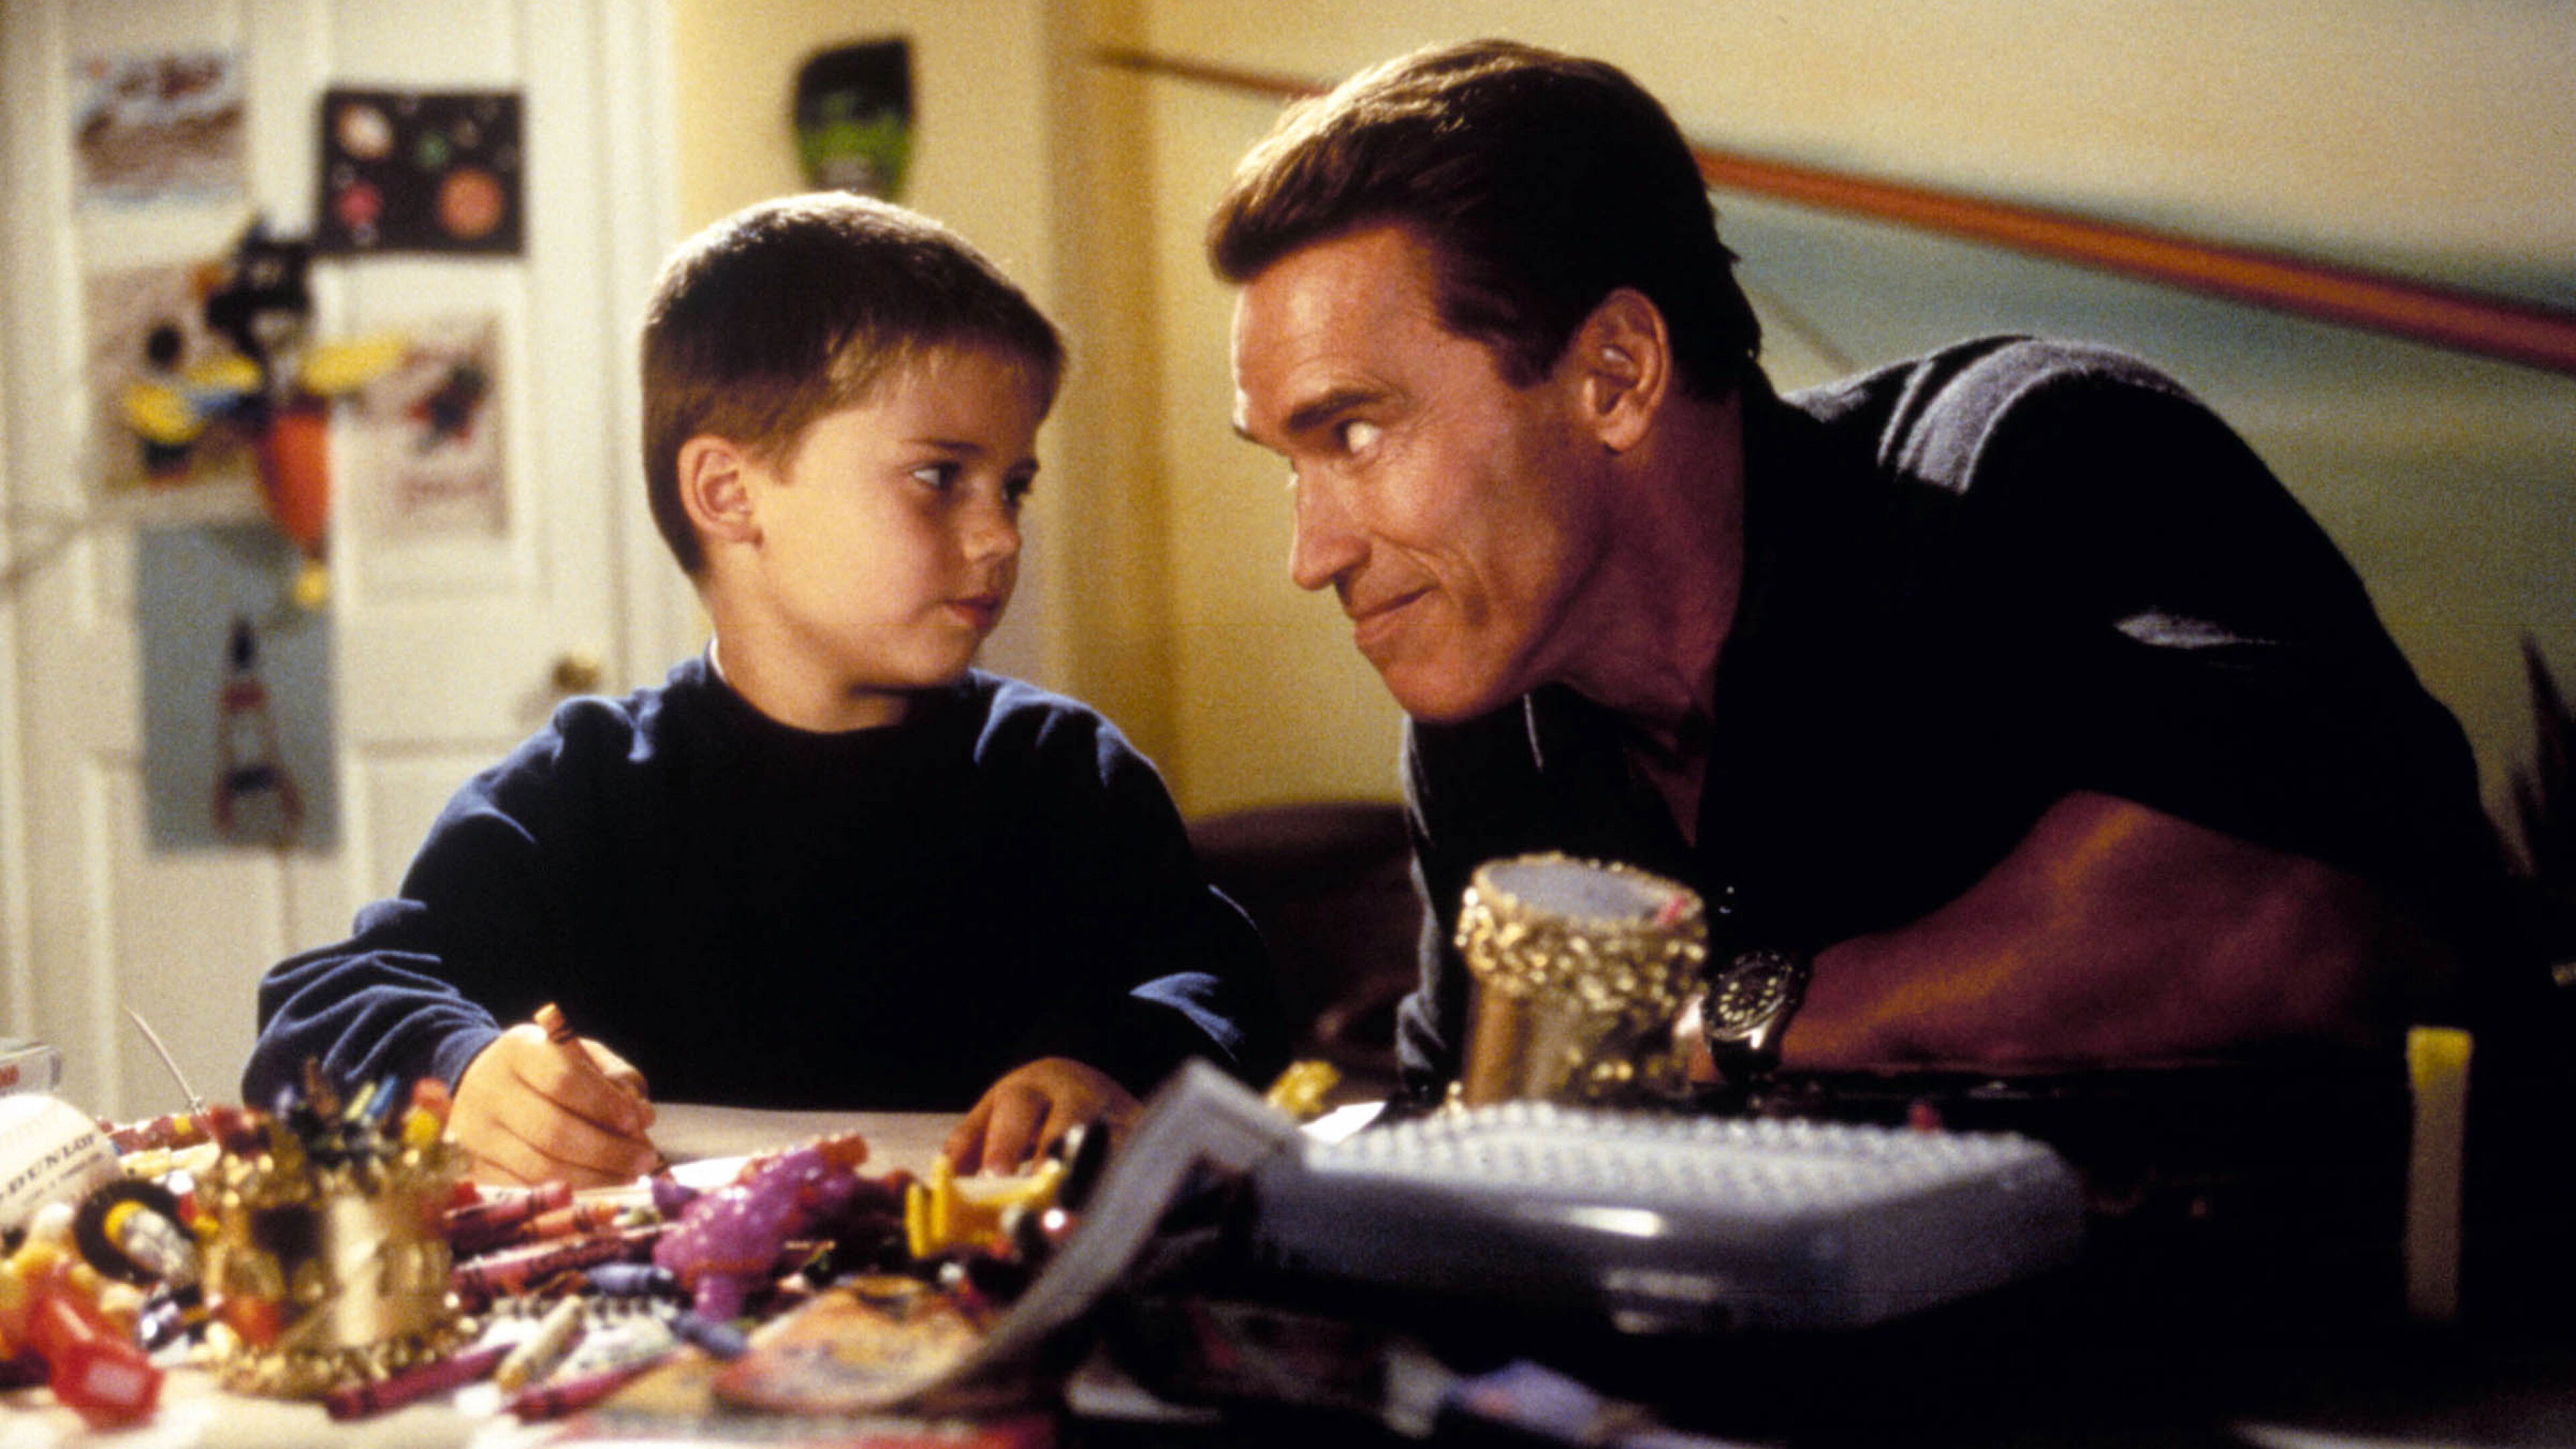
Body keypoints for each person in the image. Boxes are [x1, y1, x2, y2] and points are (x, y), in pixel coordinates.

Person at [1212, 40, 2512, 1101]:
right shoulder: (1488, 729)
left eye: (1356, 433)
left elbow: (2300, 918)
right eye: (1289, 460)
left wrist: (1739, 1026)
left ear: (1615, 373)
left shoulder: (2032, 461)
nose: (1311, 554)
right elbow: (1482, 1141)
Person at [249, 193, 1285, 1183]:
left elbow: (1226, 989)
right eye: (940, 478)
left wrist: (1109, 1066)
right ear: (728, 493)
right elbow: (323, 1003)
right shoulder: (586, 789)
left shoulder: (1062, 774)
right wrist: (466, 1071)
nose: (1000, 536)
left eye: (1012, 486)